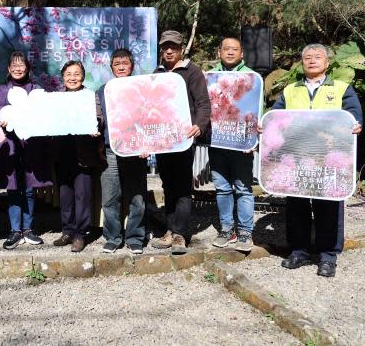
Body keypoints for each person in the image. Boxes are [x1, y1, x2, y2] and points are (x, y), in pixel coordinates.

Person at [272, 43, 362, 278]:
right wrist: (265, 125)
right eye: (307, 57)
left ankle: (327, 256)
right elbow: (276, 117)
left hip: (329, 161)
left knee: (328, 206)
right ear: (302, 63)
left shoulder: (342, 88)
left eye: (317, 57)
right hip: (297, 159)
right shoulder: (291, 89)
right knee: (297, 207)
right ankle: (299, 251)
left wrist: (356, 124)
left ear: (327, 62)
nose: (312, 60)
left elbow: (352, 116)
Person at [150, 30, 211, 254]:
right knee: (167, 185)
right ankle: (169, 230)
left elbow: (203, 104)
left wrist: (199, 125)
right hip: (163, 140)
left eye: (173, 47)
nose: (168, 50)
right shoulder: (156, 73)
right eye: (165, 47)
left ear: (181, 48)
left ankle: (180, 235)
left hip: (184, 140)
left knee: (183, 187)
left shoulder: (192, 72)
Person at [0, 52, 52, 250]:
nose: (18, 68)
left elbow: (44, 113)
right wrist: (2, 120)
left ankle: (28, 229)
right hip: (10, 145)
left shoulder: (37, 89)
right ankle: (15, 230)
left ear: (28, 68)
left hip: (31, 145)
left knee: (30, 189)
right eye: (14, 65)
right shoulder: (1, 90)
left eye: (22, 65)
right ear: (8, 69)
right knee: (14, 188)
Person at [209, 37, 258, 252]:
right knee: (221, 188)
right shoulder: (209, 77)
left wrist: (255, 138)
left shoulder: (252, 78)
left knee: (243, 189)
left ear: (242, 53)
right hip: (217, 142)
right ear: (219, 52)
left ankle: (245, 232)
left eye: (235, 49)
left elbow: (258, 110)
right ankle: (227, 230)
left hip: (242, 143)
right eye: (226, 49)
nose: (230, 52)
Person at [97, 49, 148, 255]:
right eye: (116, 63)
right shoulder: (102, 90)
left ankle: (135, 237)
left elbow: (150, 118)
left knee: (137, 198)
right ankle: (112, 237)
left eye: (124, 63)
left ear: (132, 66)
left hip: (136, 150)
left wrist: (148, 145)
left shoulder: (143, 90)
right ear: (111, 67)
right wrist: (97, 137)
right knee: (110, 198)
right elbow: (98, 118)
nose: (120, 66)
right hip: (110, 149)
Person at [53, 60, 106, 252]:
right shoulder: (57, 98)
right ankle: (67, 230)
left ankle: (80, 234)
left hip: (84, 154)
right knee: (65, 195)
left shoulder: (90, 96)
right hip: (63, 153)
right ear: (63, 77)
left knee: (82, 196)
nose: (72, 78)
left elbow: (99, 118)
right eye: (68, 74)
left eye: (76, 74)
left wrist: (95, 126)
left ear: (83, 77)